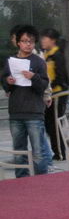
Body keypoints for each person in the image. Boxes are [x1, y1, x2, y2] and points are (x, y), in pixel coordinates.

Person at [1, 25, 50, 177]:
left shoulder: (38, 62)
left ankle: (41, 180)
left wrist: (33, 77)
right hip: (16, 112)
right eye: (24, 41)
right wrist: (7, 81)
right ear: (18, 43)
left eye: (31, 41)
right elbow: (5, 85)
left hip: (34, 112)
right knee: (19, 151)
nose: (28, 44)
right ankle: (21, 180)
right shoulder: (10, 61)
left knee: (38, 151)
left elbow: (43, 85)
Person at [40, 28, 69, 160]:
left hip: (57, 94)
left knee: (54, 124)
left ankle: (60, 152)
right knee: (49, 124)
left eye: (45, 38)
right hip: (50, 94)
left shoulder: (57, 55)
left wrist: (48, 87)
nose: (42, 41)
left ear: (52, 41)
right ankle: (57, 150)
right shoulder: (46, 54)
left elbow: (60, 77)